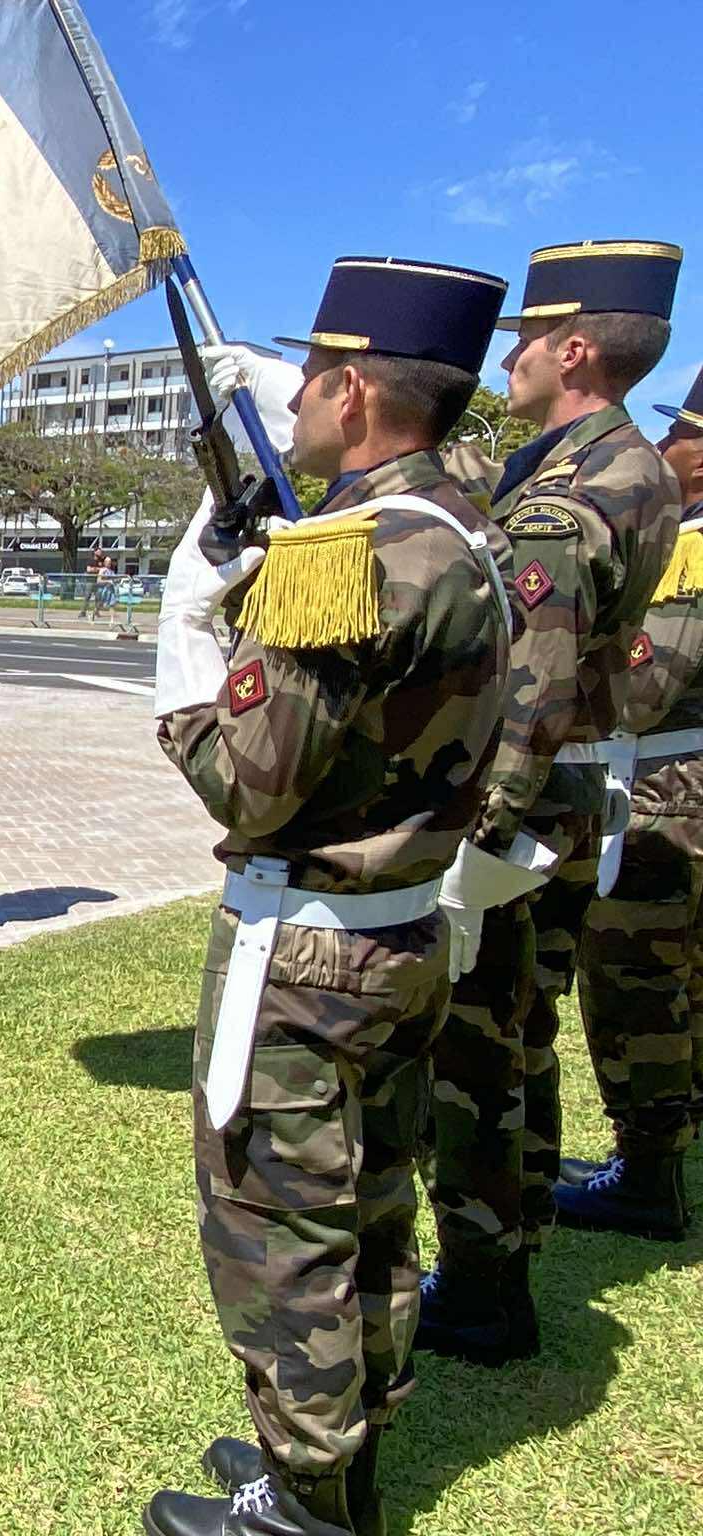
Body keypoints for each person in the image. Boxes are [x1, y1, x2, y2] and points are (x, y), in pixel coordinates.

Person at [150, 257, 513, 1536]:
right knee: (370, 1210)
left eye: (311, 374)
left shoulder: (347, 556)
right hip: (405, 928)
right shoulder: (462, 529)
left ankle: (301, 1504)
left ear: (352, 388)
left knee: (279, 1227)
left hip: (306, 955)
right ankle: (336, 1455)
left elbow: (245, 785)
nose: (295, 396)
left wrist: (188, 637)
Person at [418, 239, 685, 1366]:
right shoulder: (636, 466)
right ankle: (511, 1237)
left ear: (573, 349)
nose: (509, 360)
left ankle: (479, 1288)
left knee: (475, 1051)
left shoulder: (565, 493)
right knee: (522, 1032)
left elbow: (531, 682)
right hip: (577, 799)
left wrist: (481, 829)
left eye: (524, 340)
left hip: (521, 805)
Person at [563, 364, 703, 1240]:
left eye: (678, 433)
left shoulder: (692, 554)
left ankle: (648, 1179)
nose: (663, 447)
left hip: (663, 808)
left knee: (636, 991)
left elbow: (642, 691)